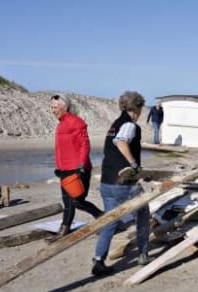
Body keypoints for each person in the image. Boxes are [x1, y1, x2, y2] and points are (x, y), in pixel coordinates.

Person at [92, 91, 151, 276]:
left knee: (110, 221)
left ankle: (99, 260)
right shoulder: (129, 125)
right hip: (124, 182)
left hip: (107, 182)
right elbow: (121, 142)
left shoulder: (115, 124)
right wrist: (134, 164)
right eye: (141, 108)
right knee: (143, 213)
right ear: (137, 108)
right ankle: (143, 253)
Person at [49, 94, 103, 242]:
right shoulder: (61, 124)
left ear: (64, 107)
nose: (52, 110)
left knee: (77, 201)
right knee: (67, 202)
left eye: (55, 107)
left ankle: (101, 216)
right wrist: (59, 168)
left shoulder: (76, 122)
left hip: (79, 169)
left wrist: (81, 164)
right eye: (51, 107)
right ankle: (64, 230)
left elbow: (84, 145)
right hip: (64, 170)